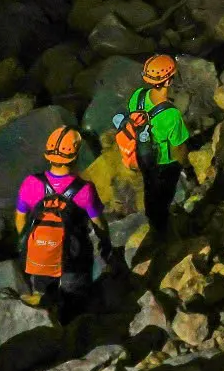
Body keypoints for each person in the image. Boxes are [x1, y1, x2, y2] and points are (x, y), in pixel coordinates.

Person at [17, 124, 107, 313]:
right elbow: (99, 224)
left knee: (45, 304)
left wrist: (36, 242)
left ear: (48, 155)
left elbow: (21, 222)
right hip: (72, 260)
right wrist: (105, 245)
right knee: (74, 307)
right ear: (75, 157)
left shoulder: (30, 183)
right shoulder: (85, 189)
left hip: (41, 257)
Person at [118, 54, 191, 247]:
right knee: (163, 198)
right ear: (168, 80)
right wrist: (186, 166)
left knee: (150, 189)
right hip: (164, 164)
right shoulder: (171, 114)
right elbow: (178, 149)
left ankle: (153, 219)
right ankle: (162, 233)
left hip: (142, 156)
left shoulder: (138, 96)